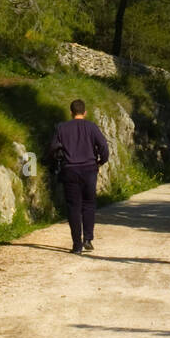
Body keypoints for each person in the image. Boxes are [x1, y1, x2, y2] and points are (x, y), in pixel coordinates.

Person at [49, 99, 109, 255]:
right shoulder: (92, 127)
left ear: (71, 112)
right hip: (89, 170)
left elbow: (53, 148)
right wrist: (100, 162)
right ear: (85, 112)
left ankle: (77, 245)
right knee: (89, 204)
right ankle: (88, 239)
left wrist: (54, 162)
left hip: (70, 170)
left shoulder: (61, 128)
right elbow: (104, 146)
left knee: (73, 207)